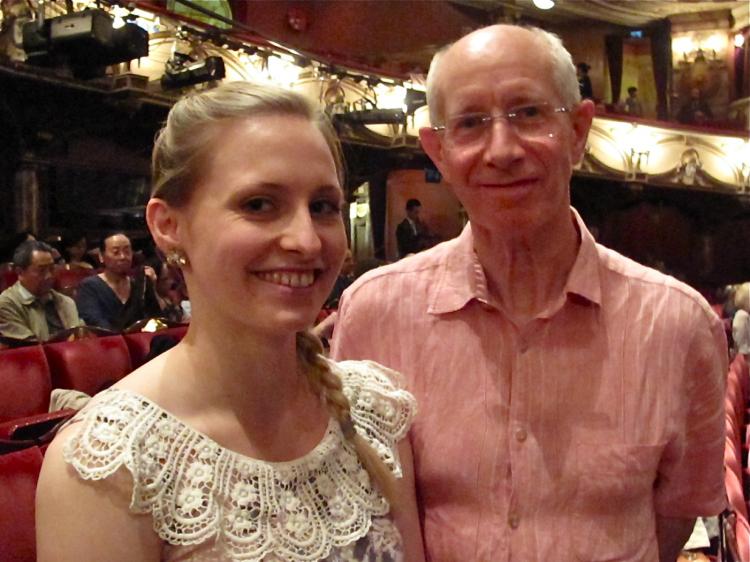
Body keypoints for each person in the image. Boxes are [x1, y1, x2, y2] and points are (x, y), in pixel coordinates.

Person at [331, 24, 727, 562]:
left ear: (580, 131)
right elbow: (365, 513)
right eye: (470, 123)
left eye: (529, 114)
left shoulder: (678, 324)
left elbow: (675, 516)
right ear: (438, 150)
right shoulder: (375, 313)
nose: (502, 149)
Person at [36, 81, 424, 562]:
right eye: (259, 204)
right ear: (168, 226)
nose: (306, 240)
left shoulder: (373, 411)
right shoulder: (113, 463)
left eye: (322, 207)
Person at [75, 232, 162, 331]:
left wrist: (152, 286)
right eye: (116, 252)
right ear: (101, 256)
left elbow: (157, 319)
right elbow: (94, 323)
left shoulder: (139, 284)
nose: (123, 257)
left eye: (127, 251)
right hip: (107, 342)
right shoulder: (89, 286)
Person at [0, 240, 83, 342]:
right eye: (41, 270)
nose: (49, 276)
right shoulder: (6, 304)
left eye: (52, 269)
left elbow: (80, 337)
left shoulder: (66, 302)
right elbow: (29, 346)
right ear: (20, 272)